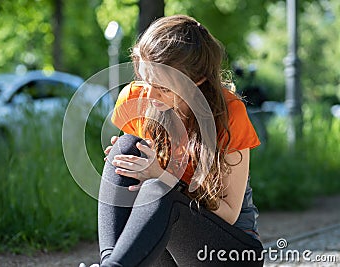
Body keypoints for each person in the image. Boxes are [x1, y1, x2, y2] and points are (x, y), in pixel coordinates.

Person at [84, 15, 264, 267]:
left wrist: (162, 176)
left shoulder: (229, 113)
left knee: (157, 189)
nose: (149, 94)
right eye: (145, 80)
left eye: (164, 88)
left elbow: (229, 214)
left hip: (226, 253)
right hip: (166, 251)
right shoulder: (136, 99)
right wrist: (131, 164)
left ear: (197, 81)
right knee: (124, 149)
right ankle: (111, 263)